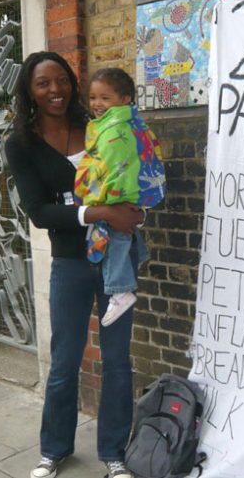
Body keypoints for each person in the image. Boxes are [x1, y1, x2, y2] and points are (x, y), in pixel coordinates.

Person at [5, 51, 146, 478]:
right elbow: (39, 212)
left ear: (72, 83)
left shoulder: (100, 125)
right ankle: (54, 450)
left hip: (115, 260)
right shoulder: (21, 143)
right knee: (65, 361)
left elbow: (132, 169)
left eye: (62, 81)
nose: (55, 91)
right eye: (43, 83)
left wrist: (137, 206)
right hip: (70, 262)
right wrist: (101, 213)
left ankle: (114, 452)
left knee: (118, 361)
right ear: (30, 90)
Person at [75, 68, 165, 328]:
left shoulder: (115, 128)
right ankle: (136, 262)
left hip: (120, 192)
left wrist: (100, 197)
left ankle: (120, 289)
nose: (97, 104)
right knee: (122, 234)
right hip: (128, 190)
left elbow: (115, 164)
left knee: (115, 235)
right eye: (93, 98)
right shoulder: (126, 122)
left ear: (125, 98)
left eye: (105, 98)